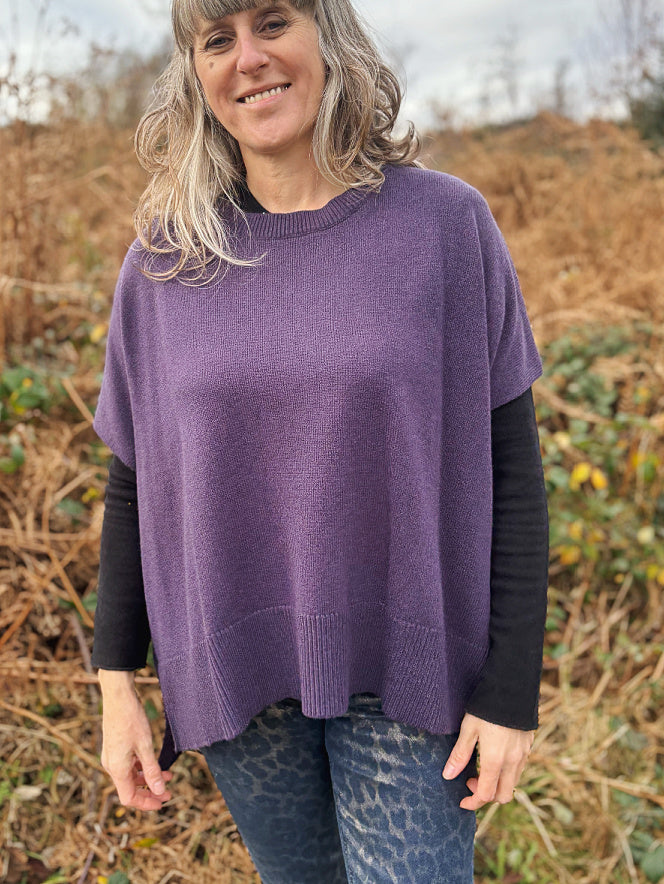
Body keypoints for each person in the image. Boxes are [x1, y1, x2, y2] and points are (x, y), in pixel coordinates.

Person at [91, 0, 549, 881]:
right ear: (195, 74)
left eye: (273, 23)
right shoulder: (164, 261)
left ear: (328, 38)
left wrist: (509, 693)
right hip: (237, 674)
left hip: (409, 677)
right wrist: (117, 687)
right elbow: (134, 483)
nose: (249, 58)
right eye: (217, 39)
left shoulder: (444, 227)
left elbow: (513, 474)